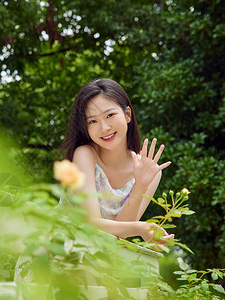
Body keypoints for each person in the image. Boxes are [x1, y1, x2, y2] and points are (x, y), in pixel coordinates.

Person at [59, 78, 174, 245]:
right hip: (57, 253)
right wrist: (140, 228)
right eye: (93, 121)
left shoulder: (148, 171)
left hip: (98, 261)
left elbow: (120, 235)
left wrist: (140, 185)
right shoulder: (84, 155)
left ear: (127, 115)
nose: (104, 127)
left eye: (110, 115)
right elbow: (91, 224)